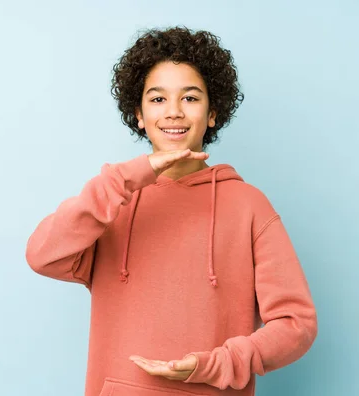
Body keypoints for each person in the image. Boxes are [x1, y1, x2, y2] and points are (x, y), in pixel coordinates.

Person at [25, 26, 318, 396]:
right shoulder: (113, 202)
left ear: (212, 113)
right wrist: (130, 176)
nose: (174, 112)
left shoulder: (249, 206)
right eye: (158, 99)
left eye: (191, 98)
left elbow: (297, 323)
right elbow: (42, 255)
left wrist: (217, 364)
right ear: (139, 114)